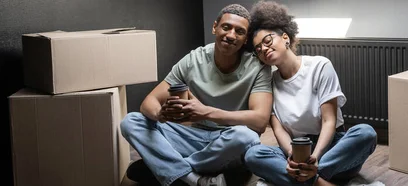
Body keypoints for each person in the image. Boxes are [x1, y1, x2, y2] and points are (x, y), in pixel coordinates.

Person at [120, 4, 273, 186]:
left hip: (228, 141)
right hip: (193, 136)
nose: (231, 35)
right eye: (226, 27)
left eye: (239, 32)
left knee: (247, 137)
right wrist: (160, 115)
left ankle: (170, 168)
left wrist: (206, 112)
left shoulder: (258, 67)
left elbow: (260, 120)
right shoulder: (194, 59)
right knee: (131, 121)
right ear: (215, 27)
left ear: (245, 38)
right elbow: (149, 102)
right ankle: (195, 178)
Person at [243, 1, 377, 186]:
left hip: (332, 150)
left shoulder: (319, 65)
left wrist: (315, 157)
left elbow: (329, 121)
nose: (264, 49)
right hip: (295, 151)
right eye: (258, 49)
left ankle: (308, 179)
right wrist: (291, 155)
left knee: (366, 133)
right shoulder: (268, 82)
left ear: (285, 37)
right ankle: (317, 182)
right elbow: (278, 129)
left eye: (267, 41)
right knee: (253, 155)